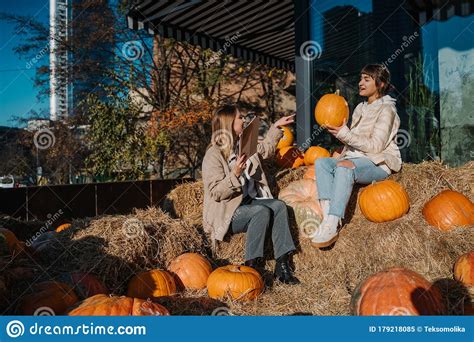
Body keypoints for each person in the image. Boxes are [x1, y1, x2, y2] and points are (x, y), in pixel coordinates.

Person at [202, 104, 300, 284]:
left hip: (248, 202)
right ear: (229, 123)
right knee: (261, 211)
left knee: (278, 206)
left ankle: (282, 265)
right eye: (240, 118)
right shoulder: (213, 155)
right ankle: (252, 268)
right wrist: (235, 174)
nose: (244, 120)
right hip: (228, 212)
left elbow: (266, 151)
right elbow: (216, 192)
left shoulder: (244, 144)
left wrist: (276, 127)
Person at [310, 64, 402, 248]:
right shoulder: (360, 107)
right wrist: (340, 134)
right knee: (321, 163)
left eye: (366, 79)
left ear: (380, 84)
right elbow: (354, 140)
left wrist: (344, 134)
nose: (360, 83)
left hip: (378, 162)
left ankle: (334, 222)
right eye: (360, 79)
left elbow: (375, 146)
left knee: (344, 167)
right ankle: (328, 214)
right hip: (354, 158)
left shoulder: (387, 110)